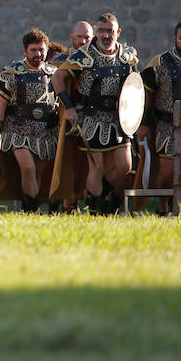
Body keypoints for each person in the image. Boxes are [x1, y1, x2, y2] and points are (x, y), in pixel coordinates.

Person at [51, 13, 137, 214]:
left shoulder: (127, 56)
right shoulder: (85, 55)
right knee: (96, 167)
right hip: (91, 116)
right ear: (96, 32)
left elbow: (135, 85)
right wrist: (69, 107)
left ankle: (99, 196)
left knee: (125, 165)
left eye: (110, 31)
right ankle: (95, 208)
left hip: (119, 118)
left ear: (118, 32)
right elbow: (57, 77)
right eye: (101, 31)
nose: (106, 35)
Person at [0, 29, 60, 213]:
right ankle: (33, 209)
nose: (38, 54)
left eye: (41, 50)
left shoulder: (53, 74)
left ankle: (28, 208)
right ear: (25, 51)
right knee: (28, 169)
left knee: (37, 174)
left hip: (44, 131)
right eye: (33, 50)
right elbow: (1, 104)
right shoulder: (11, 73)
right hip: (17, 130)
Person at [143, 21, 181, 206]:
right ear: (175, 38)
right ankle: (163, 206)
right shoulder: (160, 63)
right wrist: (144, 122)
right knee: (167, 171)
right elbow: (145, 92)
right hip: (168, 124)